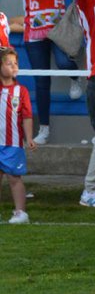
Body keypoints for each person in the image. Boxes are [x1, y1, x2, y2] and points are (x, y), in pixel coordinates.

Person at [17, 0, 74, 144]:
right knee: (42, 81)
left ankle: (75, 79)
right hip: (35, 34)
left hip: (58, 31)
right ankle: (44, 128)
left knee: (65, 63)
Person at [0, 48, 34, 224]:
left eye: (16, 63)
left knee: (14, 178)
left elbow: (27, 117)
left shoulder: (22, 91)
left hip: (12, 143)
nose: (14, 67)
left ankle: (21, 213)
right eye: (9, 63)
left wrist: (29, 138)